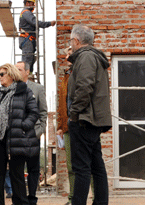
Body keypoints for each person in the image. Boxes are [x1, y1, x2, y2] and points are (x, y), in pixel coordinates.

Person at [67, 24, 112, 205]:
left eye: (71, 41)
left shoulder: (85, 57)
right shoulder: (93, 57)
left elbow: (84, 87)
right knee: (96, 166)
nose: (70, 44)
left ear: (77, 40)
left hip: (84, 120)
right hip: (92, 120)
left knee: (82, 168)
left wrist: (74, 113)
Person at [0, 63, 39, 205]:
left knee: (17, 176)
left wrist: (23, 126)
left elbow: (34, 113)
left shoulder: (24, 91)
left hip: (16, 139)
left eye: (2, 74)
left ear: (11, 75)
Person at [16, 61, 47, 205]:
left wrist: (39, 132)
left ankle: (32, 197)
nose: (17, 71)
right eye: (15, 69)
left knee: (33, 168)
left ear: (27, 72)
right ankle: (21, 198)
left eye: (20, 69)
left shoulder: (38, 89)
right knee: (17, 169)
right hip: (16, 136)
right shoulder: (11, 88)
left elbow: (43, 112)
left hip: (33, 135)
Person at [56, 47, 74, 205]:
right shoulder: (66, 75)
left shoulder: (81, 72)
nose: (66, 55)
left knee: (89, 166)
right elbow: (63, 103)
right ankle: (72, 198)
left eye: (69, 52)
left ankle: (97, 198)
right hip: (68, 126)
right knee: (70, 166)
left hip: (81, 125)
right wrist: (61, 126)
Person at [19, 0, 56, 73]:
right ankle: (26, 78)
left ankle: (29, 77)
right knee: (28, 61)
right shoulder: (26, 13)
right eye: (32, 4)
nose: (34, 6)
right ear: (27, 3)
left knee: (31, 60)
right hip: (27, 39)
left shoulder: (26, 13)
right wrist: (49, 23)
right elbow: (36, 23)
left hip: (28, 39)